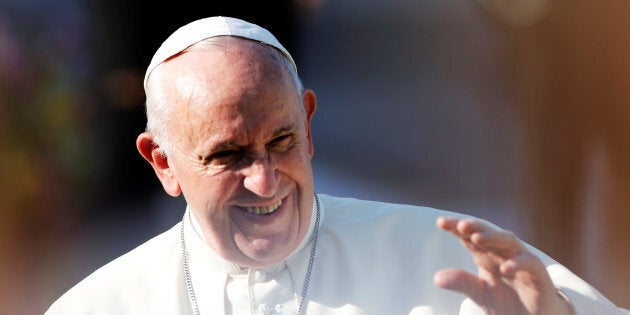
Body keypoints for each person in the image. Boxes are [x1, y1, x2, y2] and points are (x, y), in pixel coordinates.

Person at [46, 16, 629, 315]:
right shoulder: (99, 307)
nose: (266, 181)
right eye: (228, 155)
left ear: (309, 120)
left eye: (282, 141)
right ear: (162, 162)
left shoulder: (446, 261)